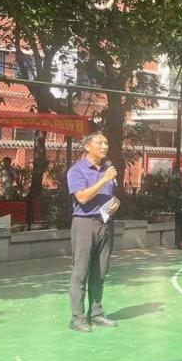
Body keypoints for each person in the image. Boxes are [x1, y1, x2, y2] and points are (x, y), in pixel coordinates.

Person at [65, 133, 119, 333]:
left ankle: (96, 313)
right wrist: (104, 179)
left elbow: (111, 196)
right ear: (87, 147)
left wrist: (116, 203)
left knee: (101, 270)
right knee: (81, 271)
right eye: (100, 143)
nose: (105, 146)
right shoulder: (77, 170)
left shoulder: (108, 169)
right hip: (85, 224)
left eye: (106, 142)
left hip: (105, 223)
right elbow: (82, 198)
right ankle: (77, 318)